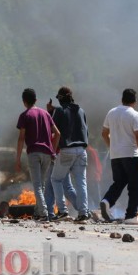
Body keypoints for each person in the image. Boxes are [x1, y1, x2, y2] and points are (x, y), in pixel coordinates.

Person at [100, 88, 138, 225]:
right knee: (135, 185)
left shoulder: (112, 112)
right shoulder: (134, 114)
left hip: (115, 155)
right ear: (135, 101)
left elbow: (104, 133)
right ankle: (131, 215)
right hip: (130, 154)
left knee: (119, 182)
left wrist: (111, 147)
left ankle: (107, 201)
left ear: (122, 99)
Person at [15, 88, 60, 222]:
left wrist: (17, 159)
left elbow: (21, 138)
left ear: (24, 102)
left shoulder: (25, 115)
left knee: (37, 185)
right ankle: (38, 212)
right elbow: (57, 134)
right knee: (42, 185)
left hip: (34, 153)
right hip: (47, 153)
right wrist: (53, 150)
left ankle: (44, 214)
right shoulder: (46, 114)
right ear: (36, 100)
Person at [51, 86, 91, 222]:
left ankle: (62, 211)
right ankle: (83, 212)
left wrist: (50, 112)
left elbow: (53, 129)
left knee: (56, 179)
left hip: (66, 150)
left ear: (61, 98)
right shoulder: (81, 110)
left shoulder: (59, 110)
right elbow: (86, 131)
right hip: (82, 150)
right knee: (81, 182)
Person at [44, 98, 77, 220]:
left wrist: (51, 154)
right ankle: (83, 210)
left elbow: (53, 140)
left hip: (56, 157)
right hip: (62, 156)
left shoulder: (54, 130)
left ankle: (51, 212)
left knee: (50, 186)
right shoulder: (66, 124)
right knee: (67, 187)